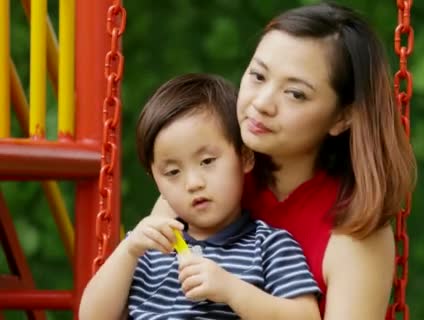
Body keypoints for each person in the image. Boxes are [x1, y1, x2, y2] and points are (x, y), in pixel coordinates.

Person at [153, 2, 417, 319]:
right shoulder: (205, 177)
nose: (262, 103)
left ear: (342, 117)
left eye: (295, 93)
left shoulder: (354, 229)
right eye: (258, 76)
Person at [79, 74, 323, 320]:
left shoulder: (269, 246)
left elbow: (307, 316)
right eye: (173, 172)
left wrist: (231, 290)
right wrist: (128, 251)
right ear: (157, 182)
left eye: (207, 161)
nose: (193, 183)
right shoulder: (147, 247)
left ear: (245, 157)